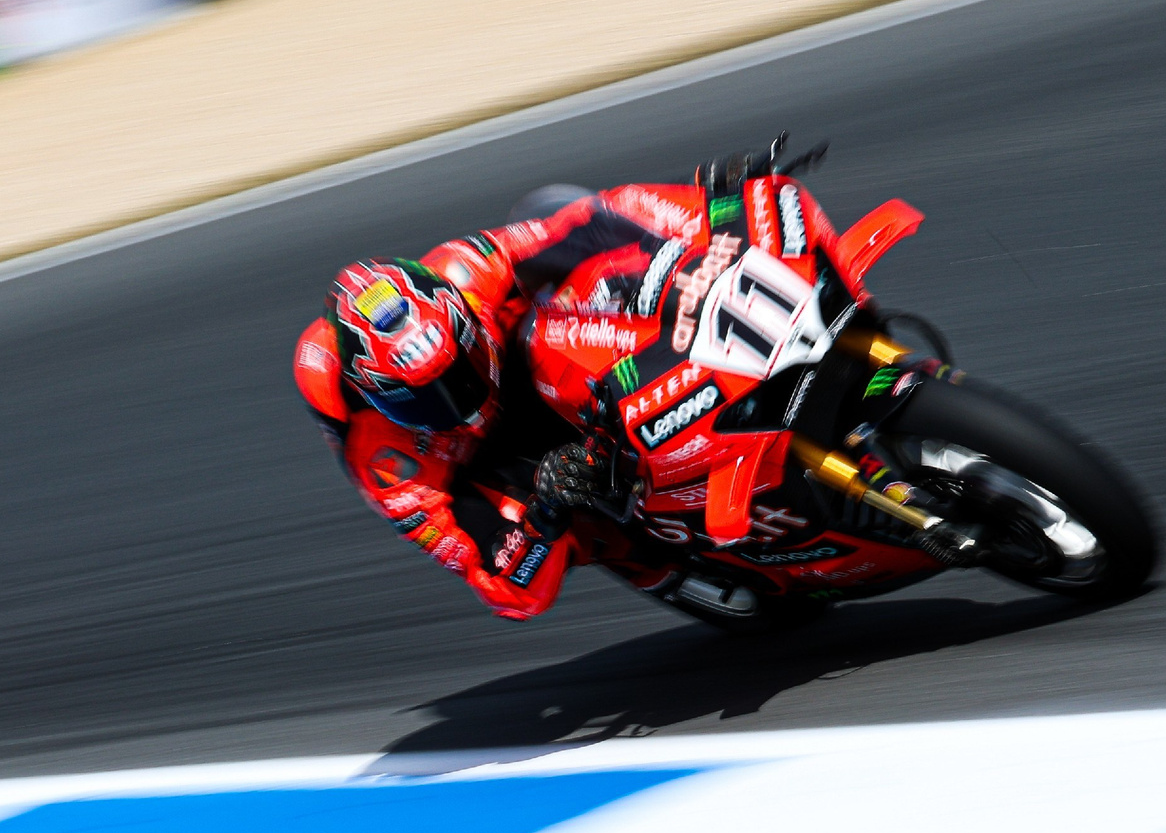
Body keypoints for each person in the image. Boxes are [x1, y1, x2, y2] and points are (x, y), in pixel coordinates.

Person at [294, 143, 825, 619]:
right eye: (419, 400)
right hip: (487, 461)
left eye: (458, 370)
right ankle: (660, 566)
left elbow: (590, 222)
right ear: (376, 398)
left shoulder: (470, 272)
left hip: (539, 365)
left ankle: (723, 369)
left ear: (461, 314)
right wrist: (545, 513)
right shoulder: (390, 466)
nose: (454, 401)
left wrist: (708, 198)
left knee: (558, 223)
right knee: (568, 522)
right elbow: (506, 589)